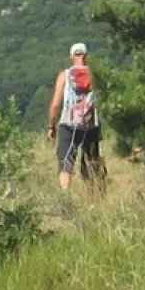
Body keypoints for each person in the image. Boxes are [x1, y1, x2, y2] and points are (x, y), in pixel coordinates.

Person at [47, 42, 105, 192]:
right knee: (91, 160)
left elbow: (55, 105)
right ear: (86, 56)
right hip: (91, 124)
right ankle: (94, 194)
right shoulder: (94, 75)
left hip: (68, 124)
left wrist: (51, 126)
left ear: (71, 56)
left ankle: (65, 194)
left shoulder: (65, 75)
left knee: (65, 163)